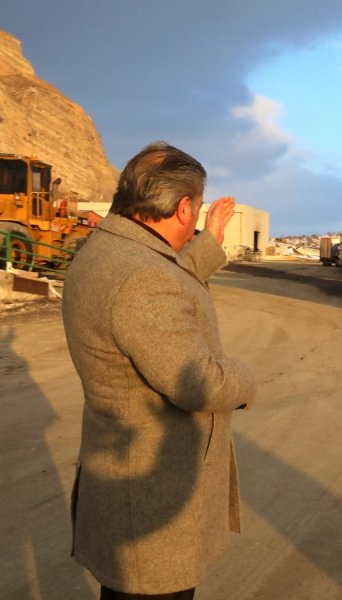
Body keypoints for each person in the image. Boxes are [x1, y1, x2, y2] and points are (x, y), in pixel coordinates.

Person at [62, 142, 257, 600]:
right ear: (183, 205)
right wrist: (245, 378)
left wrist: (208, 240)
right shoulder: (141, 279)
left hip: (126, 483)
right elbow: (198, 383)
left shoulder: (111, 250)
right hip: (152, 499)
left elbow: (162, 278)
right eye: (197, 207)